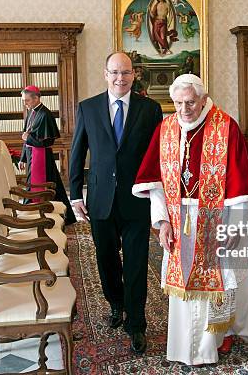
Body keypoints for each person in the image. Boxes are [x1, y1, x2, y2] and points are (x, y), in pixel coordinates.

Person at [132, 74, 248, 365]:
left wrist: (236, 226)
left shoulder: (226, 126)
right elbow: (156, 184)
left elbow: (241, 187)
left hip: (218, 217)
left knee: (225, 278)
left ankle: (221, 333)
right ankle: (190, 344)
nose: (184, 109)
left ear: (204, 100)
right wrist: (162, 222)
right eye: (179, 103)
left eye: (191, 102)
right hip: (178, 217)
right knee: (185, 281)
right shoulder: (166, 128)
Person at [68, 52, 163, 353]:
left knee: (136, 264)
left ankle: (136, 323)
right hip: (100, 200)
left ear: (134, 75)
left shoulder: (150, 109)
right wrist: (74, 194)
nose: (120, 78)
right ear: (105, 74)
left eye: (126, 72)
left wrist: (163, 197)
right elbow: (77, 152)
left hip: (138, 200)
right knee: (106, 259)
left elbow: (159, 156)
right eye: (114, 72)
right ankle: (116, 304)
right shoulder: (89, 107)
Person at [18, 85, 75, 225]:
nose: (25, 104)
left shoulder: (45, 114)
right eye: (24, 101)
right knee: (39, 184)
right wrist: (23, 158)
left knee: (48, 185)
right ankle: (32, 212)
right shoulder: (31, 113)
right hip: (32, 155)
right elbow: (27, 136)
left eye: (27, 100)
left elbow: (47, 140)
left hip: (42, 156)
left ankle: (54, 215)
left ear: (36, 98)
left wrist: (28, 139)